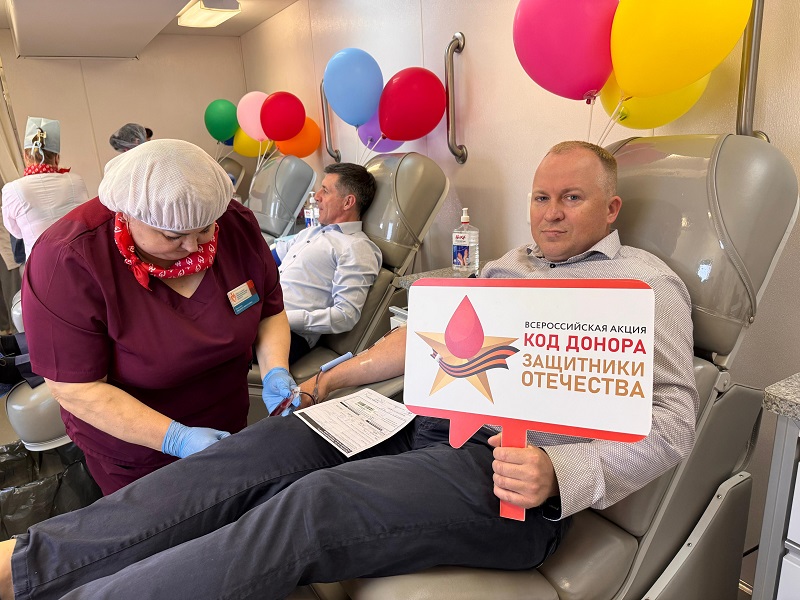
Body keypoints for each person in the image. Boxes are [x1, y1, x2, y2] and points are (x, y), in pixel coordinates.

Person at [0, 141, 698, 600]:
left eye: (572, 199)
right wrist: (326, 382)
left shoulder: (641, 286)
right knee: (254, 453)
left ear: (611, 209)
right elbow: (426, 341)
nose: (551, 214)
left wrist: (562, 474)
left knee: (313, 503)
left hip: (507, 474)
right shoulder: (507, 267)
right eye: (542, 197)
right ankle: (26, 566)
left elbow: (673, 422)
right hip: (418, 423)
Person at [18, 139, 298, 495]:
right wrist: (176, 438)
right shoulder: (67, 260)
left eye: (205, 230)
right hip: (137, 454)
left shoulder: (235, 224)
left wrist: (275, 370)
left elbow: (269, 310)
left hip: (228, 424)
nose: (194, 247)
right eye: (173, 236)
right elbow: (75, 388)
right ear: (127, 215)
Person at [274, 162, 381, 363]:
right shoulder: (310, 233)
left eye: (325, 190)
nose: (316, 196)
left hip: (289, 333)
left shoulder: (356, 247)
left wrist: (281, 318)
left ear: (348, 202)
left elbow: (346, 316)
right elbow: (265, 260)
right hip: (260, 316)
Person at [1, 117, 90, 260]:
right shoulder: (75, 181)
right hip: (78, 259)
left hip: (40, 263)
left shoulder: (12, 189)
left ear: (25, 156)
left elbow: (16, 233)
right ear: (57, 158)